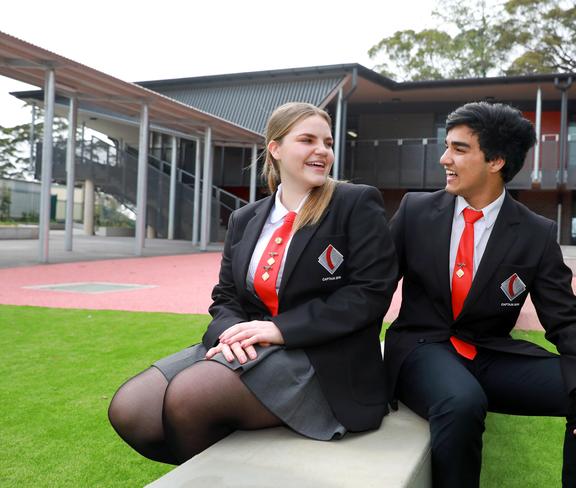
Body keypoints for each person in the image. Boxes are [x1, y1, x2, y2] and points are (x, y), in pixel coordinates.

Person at [108, 102, 398, 464]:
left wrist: (279, 330)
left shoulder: (354, 203)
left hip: (323, 359)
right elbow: (226, 296)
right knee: (131, 409)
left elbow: (370, 294)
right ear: (275, 149)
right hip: (253, 347)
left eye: (327, 142)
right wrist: (231, 335)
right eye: (307, 140)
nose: (322, 151)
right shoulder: (245, 218)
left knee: (191, 397)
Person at [385, 102, 576, 487]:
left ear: (496, 161)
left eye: (459, 149)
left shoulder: (535, 233)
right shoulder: (415, 210)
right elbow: (374, 287)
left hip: (490, 354)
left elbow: (567, 318)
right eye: (447, 146)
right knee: (461, 402)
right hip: (421, 349)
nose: (445, 158)